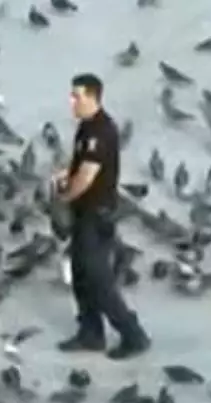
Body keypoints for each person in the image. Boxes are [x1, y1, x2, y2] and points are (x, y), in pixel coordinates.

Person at [53, 72, 150, 360]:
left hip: (96, 215)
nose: (71, 101)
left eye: (77, 96)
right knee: (82, 276)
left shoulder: (99, 132)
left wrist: (64, 196)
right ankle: (90, 333)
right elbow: (79, 166)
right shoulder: (87, 128)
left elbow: (86, 176)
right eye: (71, 95)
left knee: (98, 279)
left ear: (93, 97)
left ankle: (134, 335)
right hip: (86, 212)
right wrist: (63, 175)